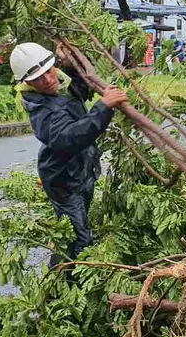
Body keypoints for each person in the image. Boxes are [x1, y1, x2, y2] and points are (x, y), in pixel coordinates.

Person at [12, 42, 128, 267]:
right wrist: (103, 107)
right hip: (63, 181)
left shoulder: (60, 85)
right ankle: (64, 281)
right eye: (38, 79)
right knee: (77, 238)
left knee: (75, 228)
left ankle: (63, 274)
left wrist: (70, 64)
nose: (47, 80)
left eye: (48, 71)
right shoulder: (41, 109)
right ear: (27, 83)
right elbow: (69, 137)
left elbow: (79, 90)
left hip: (79, 171)